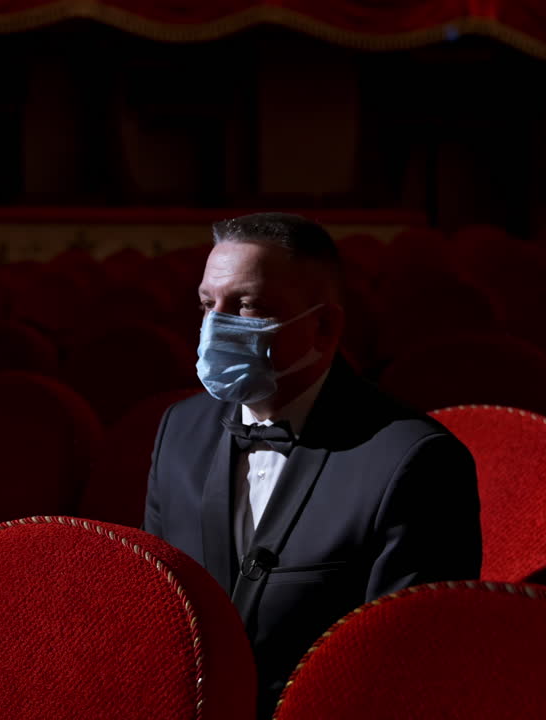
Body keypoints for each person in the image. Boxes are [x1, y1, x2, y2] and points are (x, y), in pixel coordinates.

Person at [143, 212, 481, 717]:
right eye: (208, 305)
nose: (216, 326)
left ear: (323, 326)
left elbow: (406, 666)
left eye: (247, 306)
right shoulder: (179, 430)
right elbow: (159, 609)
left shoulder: (413, 460)